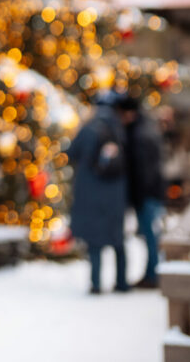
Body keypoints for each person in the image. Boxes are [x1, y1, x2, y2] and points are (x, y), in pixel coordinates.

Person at [68, 92, 129, 294]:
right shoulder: (119, 129)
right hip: (115, 195)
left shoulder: (88, 128)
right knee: (117, 240)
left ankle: (96, 284)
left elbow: (70, 154)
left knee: (95, 242)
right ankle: (121, 282)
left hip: (90, 193)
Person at [116, 94, 165, 289]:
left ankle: (153, 275)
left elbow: (144, 171)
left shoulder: (139, 136)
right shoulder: (145, 129)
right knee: (150, 235)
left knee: (150, 236)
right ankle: (151, 273)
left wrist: (139, 196)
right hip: (151, 192)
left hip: (146, 194)